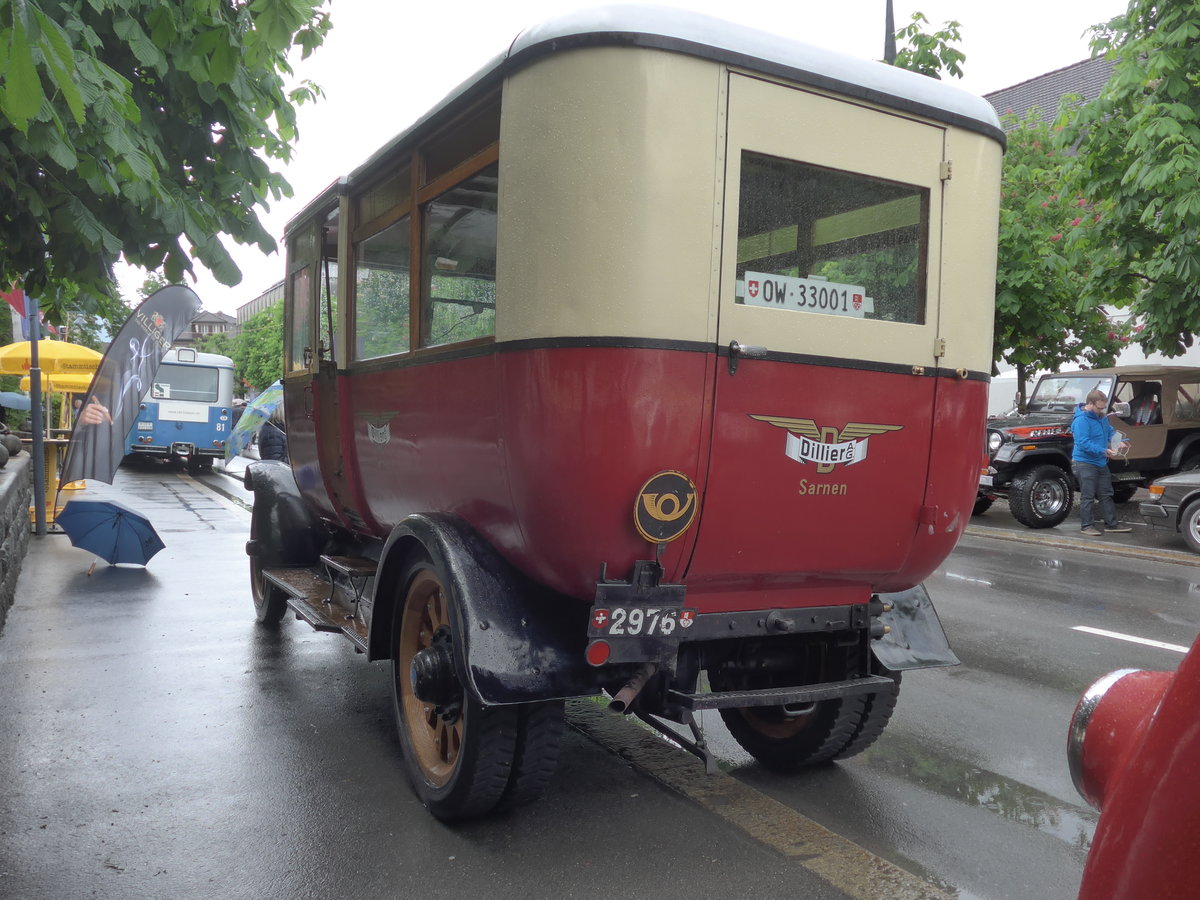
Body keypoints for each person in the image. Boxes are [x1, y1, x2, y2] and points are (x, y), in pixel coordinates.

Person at [1071, 389, 1132, 536]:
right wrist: (1103, 450)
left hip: (1100, 462)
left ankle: (1111, 524)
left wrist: (1118, 441)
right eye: (1099, 407)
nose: (1102, 410)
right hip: (1084, 463)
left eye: (1103, 407)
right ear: (1090, 404)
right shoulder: (1081, 420)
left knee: (1106, 494)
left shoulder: (1102, 417)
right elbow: (1083, 442)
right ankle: (1086, 526)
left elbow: (1110, 431)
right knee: (1088, 495)